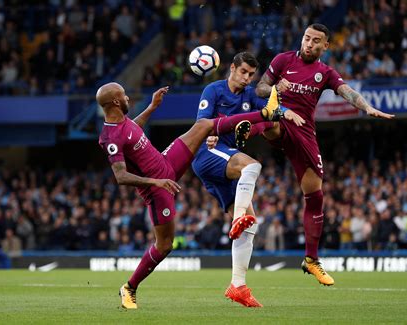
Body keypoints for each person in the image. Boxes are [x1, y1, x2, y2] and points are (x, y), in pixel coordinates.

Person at [97, 81, 280, 309]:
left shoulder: (124, 124)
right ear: (115, 101)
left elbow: (134, 129)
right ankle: (129, 288)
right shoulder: (109, 137)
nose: (127, 98)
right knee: (164, 245)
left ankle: (264, 114)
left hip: (166, 161)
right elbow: (120, 176)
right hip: (157, 189)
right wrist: (157, 182)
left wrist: (152, 107)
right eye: (124, 96)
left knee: (203, 125)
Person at [255, 23, 394, 286]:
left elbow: (348, 92)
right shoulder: (282, 60)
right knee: (269, 120)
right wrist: (275, 89)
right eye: (307, 38)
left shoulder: (325, 73)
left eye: (316, 41)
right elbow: (260, 88)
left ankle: (311, 260)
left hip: (305, 134)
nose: (309, 43)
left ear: (325, 46)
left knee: (315, 196)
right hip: (282, 121)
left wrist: (367, 108)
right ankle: (242, 131)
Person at [192, 52, 302, 307]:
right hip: (208, 153)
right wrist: (209, 133)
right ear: (231, 68)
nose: (246, 78)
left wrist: (285, 113)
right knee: (252, 166)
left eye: (251, 74)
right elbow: (201, 122)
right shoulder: (214, 90)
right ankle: (239, 215)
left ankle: (238, 286)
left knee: (251, 227)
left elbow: (271, 109)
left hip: (226, 164)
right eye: (243, 72)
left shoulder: (250, 95)